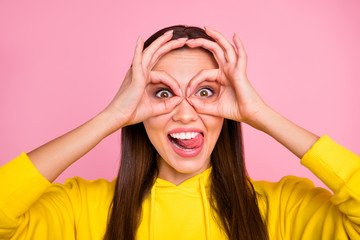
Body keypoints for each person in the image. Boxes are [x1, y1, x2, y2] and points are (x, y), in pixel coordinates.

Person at [0, 25, 359, 240]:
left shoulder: (280, 207)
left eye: (205, 92)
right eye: (163, 92)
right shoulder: (82, 208)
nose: (185, 113)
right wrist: (110, 117)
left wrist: (262, 115)